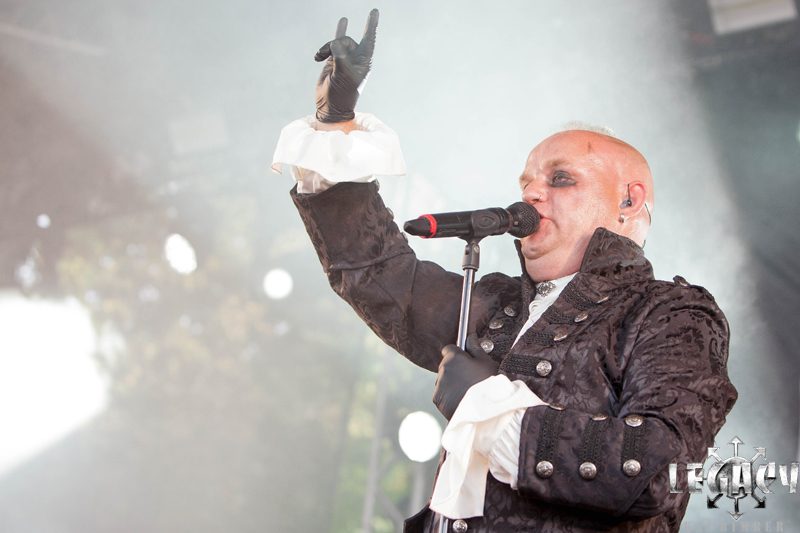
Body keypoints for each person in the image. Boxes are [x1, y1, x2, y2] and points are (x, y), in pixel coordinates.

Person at [272, 9, 738, 532]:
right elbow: (378, 274)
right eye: (526, 183)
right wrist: (335, 124)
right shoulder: (499, 304)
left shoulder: (672, 313)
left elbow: (659, 467)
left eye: (560, 179)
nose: (532, 192)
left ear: (629, 201)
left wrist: (490, 408)